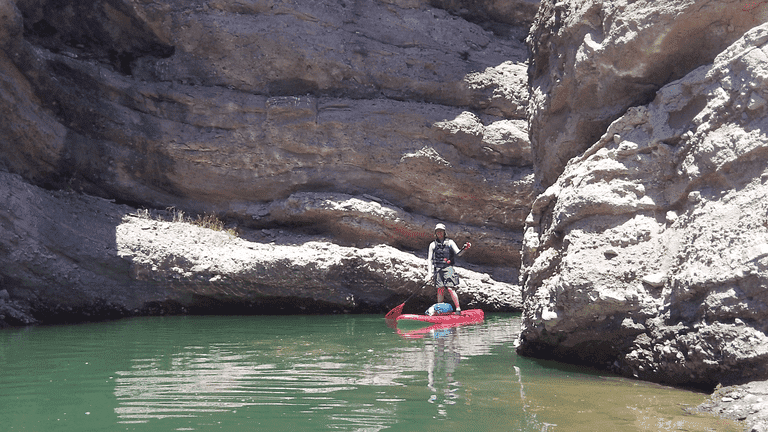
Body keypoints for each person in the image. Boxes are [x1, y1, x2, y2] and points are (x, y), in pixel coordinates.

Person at [426, 223, 471, 314]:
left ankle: (458, 309)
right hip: (437, 269)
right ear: (435, 232)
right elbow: (429, 260)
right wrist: (429, 273)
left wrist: (464, 249)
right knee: (440, 289)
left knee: (450, 288)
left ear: (444, 232)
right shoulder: (432, 244)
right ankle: (440, 310)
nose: (439, 232)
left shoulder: (450, 242)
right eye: (438, 231)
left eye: (441, 231)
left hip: (448, 268)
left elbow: (459, 253)